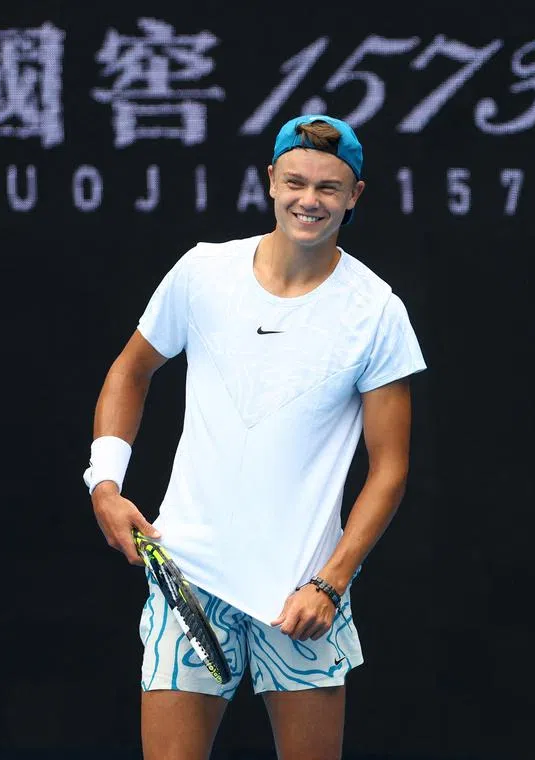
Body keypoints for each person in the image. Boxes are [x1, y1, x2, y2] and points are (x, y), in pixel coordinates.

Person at [83, 114, 426, 760]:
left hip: (304, 597)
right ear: (270, 181)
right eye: (295, 181)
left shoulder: (378, 312)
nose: (309, 200)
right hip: (188, 577)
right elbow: (131, 370)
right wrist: (105, 482)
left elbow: (390, 470)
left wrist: (330, 584)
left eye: (329, 188)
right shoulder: (202, 273)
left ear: (355, 196)